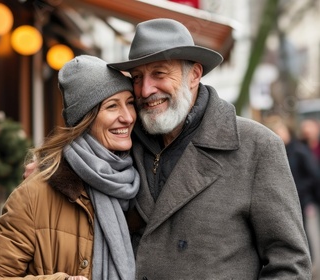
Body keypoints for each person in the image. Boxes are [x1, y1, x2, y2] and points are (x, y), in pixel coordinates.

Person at [104, 18, 311, 278]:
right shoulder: (123, 143)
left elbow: (290, 264)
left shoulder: (256, 146)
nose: (145, 90)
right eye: (137, 78)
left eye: (159, 73)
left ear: (194, 75)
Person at [0, 55, 140, 280]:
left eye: (130, 102)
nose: (128, 117)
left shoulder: (140, 178)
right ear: (85, 119)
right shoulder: (35, 194)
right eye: (112, 106)